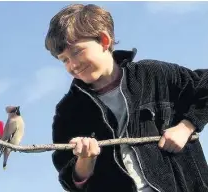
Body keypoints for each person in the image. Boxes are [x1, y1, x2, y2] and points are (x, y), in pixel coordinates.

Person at [45, 3, 208, 192]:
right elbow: (70, 180)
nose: (72, 64)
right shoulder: (68, 111)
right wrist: (85, 160)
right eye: (64, 59)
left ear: (104, 41)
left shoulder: (153, 75)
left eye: (77, 51)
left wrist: (186, 126)